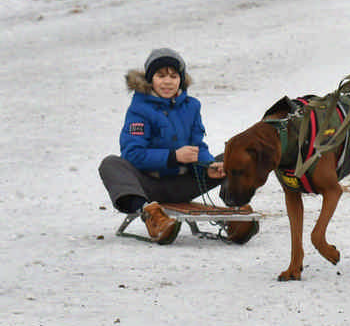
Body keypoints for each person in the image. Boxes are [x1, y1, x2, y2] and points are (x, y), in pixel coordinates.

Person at [99, 48, 258, 244]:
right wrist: (172, 157)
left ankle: (233, 217)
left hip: (184, 182)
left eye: (173, 76)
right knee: (111, 164)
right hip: (149, 186)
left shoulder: (192, 106)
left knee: (230, 158)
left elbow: (197, 145)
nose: (167, 81)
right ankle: (152, 218)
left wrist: (208, 166)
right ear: (150, 79)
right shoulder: (139, 109)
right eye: (161, 76)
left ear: (181, 80)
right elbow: (133, 154)